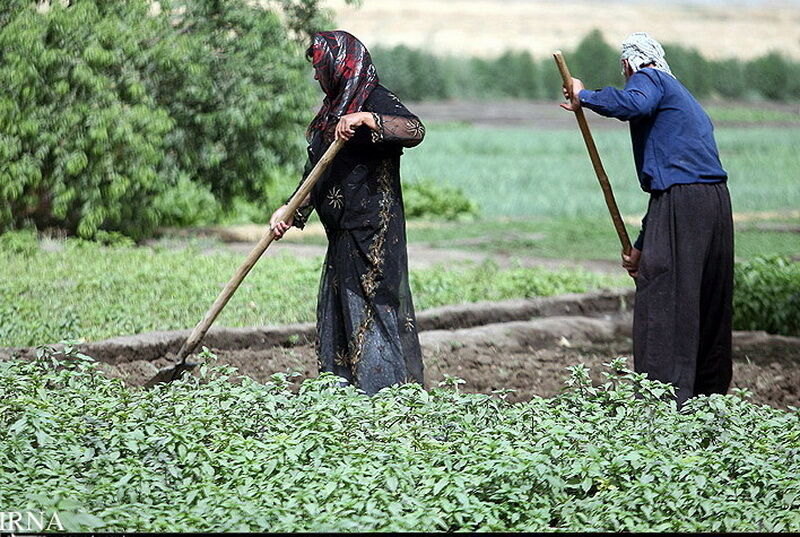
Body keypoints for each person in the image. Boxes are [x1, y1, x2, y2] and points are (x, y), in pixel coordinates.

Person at [560, 32, 734, 406]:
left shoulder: (649, 78)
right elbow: (667, 193)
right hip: (712, 203)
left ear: (627, 64)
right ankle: (708, 398)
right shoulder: (681, 96)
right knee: (705, 297)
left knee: (665, 297)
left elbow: (634, 104)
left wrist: (584, 96)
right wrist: (642, 246)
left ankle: (664, 402)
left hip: (685, 201)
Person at [269, 30, 426, 395]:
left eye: (319, 67)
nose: (315, 76)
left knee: (374, 310)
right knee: (341, 309)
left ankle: (386, 398)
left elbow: (415, 129)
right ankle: (345, 395)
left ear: (339, 66)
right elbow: (316, 173)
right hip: (340, 232)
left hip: (374, 233)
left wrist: (370, 119)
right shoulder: (331, 111)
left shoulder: (374, 97)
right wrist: (290, 208)